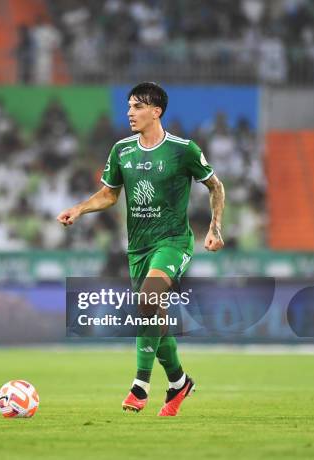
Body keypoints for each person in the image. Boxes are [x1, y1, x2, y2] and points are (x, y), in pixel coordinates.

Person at [57, 82, 225, 417]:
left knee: (149, 300)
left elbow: (215, 186)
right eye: (129, 106)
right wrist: (79, 209)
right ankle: (179, 382)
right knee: (153, 314)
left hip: (174, 241)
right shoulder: (122, 150)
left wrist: (214, 228)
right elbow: (109, 194)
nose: (129, 113)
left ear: (156, 111)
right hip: (138, 248)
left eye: (137, 106)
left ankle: (140, 385)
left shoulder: (183, 149)